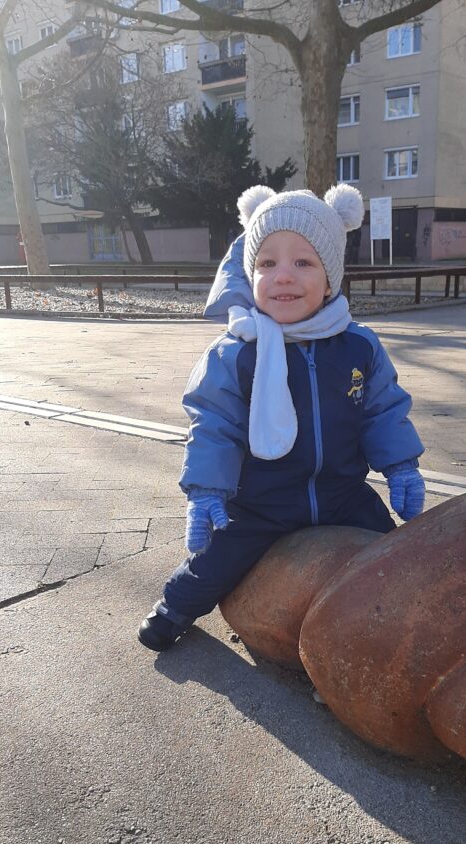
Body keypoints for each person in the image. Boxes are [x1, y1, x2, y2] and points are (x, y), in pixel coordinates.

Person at [138, 184, 426, 652]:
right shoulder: (236, 352)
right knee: (217, 558)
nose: (283, 276)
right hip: (261, 501)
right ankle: (175, 607)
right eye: (267, 263)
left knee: (390, 554)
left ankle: (410, 615)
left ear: (330, 279)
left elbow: (382, 409)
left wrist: (401, 466)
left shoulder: (358, 345)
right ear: (249, 274)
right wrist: (207, 490)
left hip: (341, 493)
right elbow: (214, 425)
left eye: (304, 263)